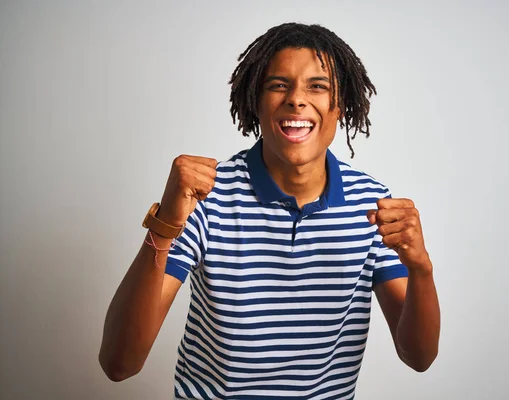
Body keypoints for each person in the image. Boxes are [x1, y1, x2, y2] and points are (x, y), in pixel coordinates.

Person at [99, 22, 440, 399]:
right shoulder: (205, 197)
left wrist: (421, 268)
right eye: (279, 85)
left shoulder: (371, 204)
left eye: (318, 86)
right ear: (255, 103)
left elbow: (418, 357)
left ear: (340, 106)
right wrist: (163, 226)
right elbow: (119, 364)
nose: (297, 99)